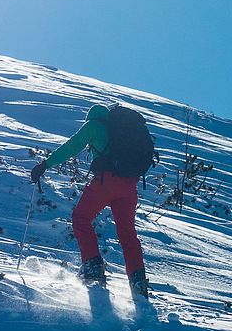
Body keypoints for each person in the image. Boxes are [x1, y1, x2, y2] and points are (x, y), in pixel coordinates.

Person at [30, 103, 156, 297]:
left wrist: (46, 164)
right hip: (130, 186)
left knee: (81, 217)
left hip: (107, 181)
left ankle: (93, 268)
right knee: (127, 234)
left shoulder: (93, 126)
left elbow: (72, 147)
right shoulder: (122, 130)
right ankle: (138, 281)